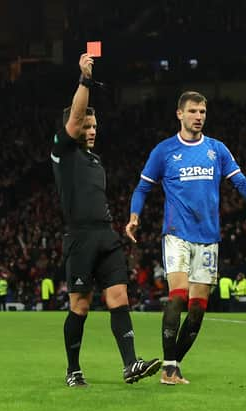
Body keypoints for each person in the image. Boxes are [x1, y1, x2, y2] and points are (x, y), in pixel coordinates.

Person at [126, 91, 246, 385]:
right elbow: (142, 188)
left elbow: (239, 180)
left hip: (208, 238)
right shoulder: (164, 151)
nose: (199, 117)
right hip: (177, 234)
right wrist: (134, 216)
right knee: (178, 296)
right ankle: (168, 368)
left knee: (197, 309)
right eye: (193, 111)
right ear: (180, 114)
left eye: (203, 112)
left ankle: (173, 364)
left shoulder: (216, 150)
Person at [51, 53, 161, 387]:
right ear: (74, 126)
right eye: (87, 124)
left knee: (119, 299)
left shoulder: (96, 161)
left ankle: (131, 365)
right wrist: (85, 79)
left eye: (96, 126)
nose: (92, 130)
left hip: (106, 236)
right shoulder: (62, 152)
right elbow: (75, 115)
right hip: (81, 238)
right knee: (80, 306)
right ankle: (73, 370)